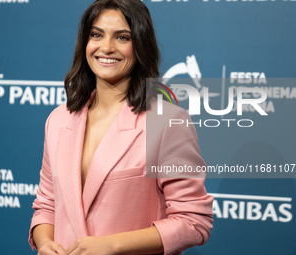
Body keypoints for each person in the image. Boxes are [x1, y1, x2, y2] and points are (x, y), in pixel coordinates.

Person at [28, 0, 213, 254]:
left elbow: (193, 221)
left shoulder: (167, 122)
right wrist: (45, 242)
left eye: (122, 37)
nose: (106, 47)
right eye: (96, 35)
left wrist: (112, 244)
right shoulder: (58, 120)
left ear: (140, 45)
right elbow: (47, 205)